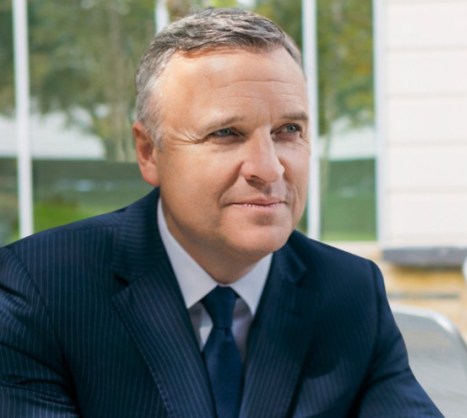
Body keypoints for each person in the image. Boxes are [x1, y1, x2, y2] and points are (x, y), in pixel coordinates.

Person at [0, 8, 442, 418]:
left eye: (289, 130)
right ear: (149, 152)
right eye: (227, 133)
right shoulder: (42, 289)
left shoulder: (350, 292)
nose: (269, 168)